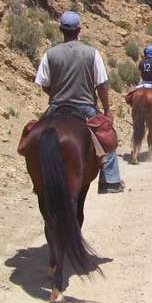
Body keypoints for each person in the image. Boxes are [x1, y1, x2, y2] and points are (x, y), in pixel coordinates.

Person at [34, 11, 124, 194]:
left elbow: (43, 84)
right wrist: (106, 111)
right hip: (85, 107)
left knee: (33, 135)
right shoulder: (92, 53)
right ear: (79, 30)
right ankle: (111, 180)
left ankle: (37, 178)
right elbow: (101, 85)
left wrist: (56, 93)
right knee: (108, 138)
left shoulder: (50, 54)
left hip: (56, 106)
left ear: (60, 30)